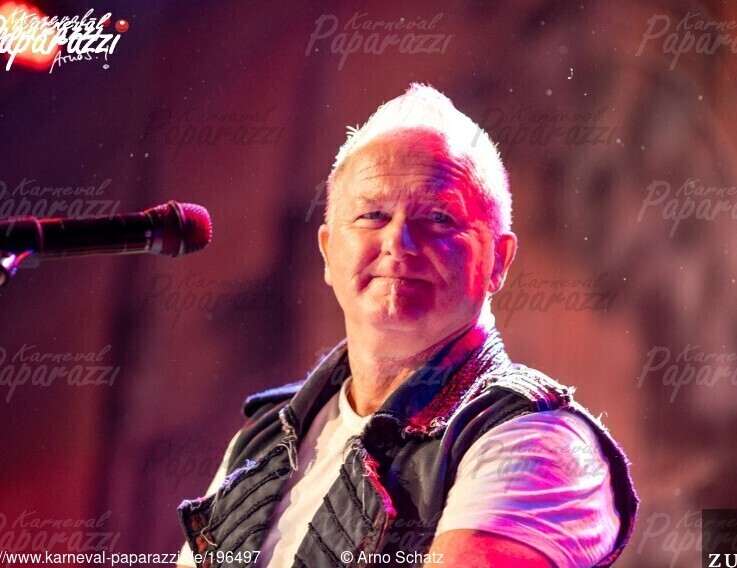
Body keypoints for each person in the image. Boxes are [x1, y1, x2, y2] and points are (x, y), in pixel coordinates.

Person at [177, 84, 638, 568]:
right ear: (328, 252)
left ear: (498, 260)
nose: (398, 240)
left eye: (439, 217)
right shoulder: (264, 438)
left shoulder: (535, 440)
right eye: (372, 215)